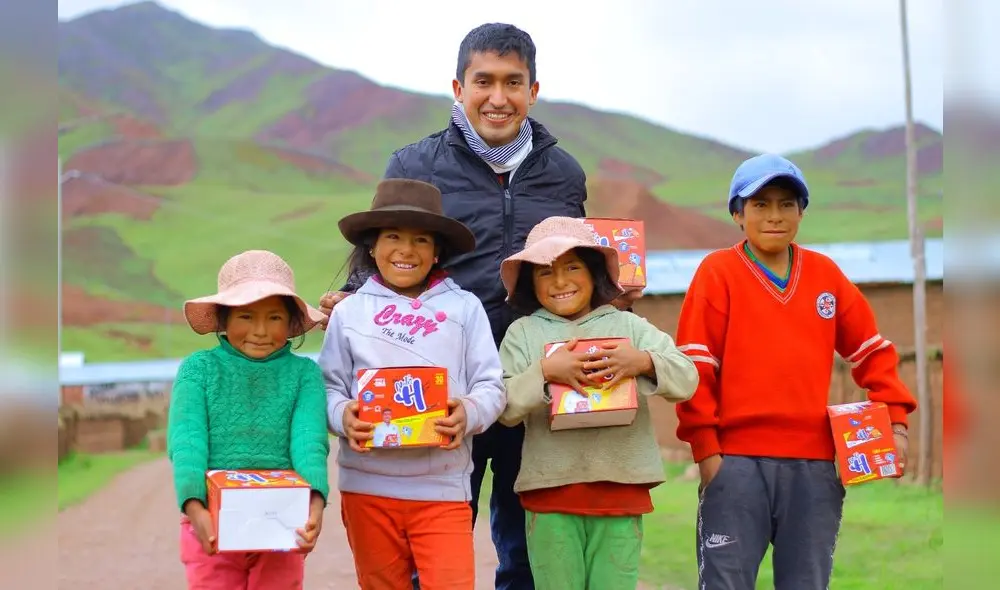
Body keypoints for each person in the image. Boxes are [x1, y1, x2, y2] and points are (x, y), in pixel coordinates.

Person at [318, 22, 640, 589]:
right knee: (433, 542)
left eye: (513, 82)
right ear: (458, 87)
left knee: (526, 549)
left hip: (534, 380)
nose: (498, 97)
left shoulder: (563, 172)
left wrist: (613, 288)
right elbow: (385, 254)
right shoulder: (415, 164)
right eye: (483, 81)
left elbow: (575, 258)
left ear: (533, 91)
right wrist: (350, 298)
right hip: (440, 393)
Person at [674, 153, 919, 590]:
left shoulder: (825, 275)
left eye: (787, 204)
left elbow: (871, 352)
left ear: (801, 212)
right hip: (736, 463)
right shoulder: (718, 273)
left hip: (813, 466)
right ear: (737, 213)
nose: (775, 216)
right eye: (760, 204)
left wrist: (895, 422)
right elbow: (696, 365)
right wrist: (707, 451)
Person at [320, 178, 507, 590]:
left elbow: (491, 386)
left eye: (421, 239)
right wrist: (342, 415)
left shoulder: (464, 307)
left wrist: (469, 413)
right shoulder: (350, 312)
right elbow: (329, 386)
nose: (406, 250)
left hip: (442, 487)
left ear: (437, 249)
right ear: (371, 246)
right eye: (392, 237)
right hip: (367, 487)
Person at [495, 216, 698, 590]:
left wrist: (643, 362)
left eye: (572, 267)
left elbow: (686, 378)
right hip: (550, 491)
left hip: (621, 490)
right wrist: (545, 371)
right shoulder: (523, 333)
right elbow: (504, 408)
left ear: (594, 272)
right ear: (529, 282)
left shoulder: (630, 327)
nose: (560, 282)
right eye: (544, 272)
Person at [166, 250, 330, 590]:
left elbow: (309, 442)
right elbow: (187, 441)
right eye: (245, 316)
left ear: (290, 323)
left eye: (273, 318)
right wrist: (195, 507)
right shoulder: (199, 370)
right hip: (210, 518)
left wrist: (314, 503)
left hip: (282, 520)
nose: (259, 331)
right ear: (224, 320)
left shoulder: (304, 374)